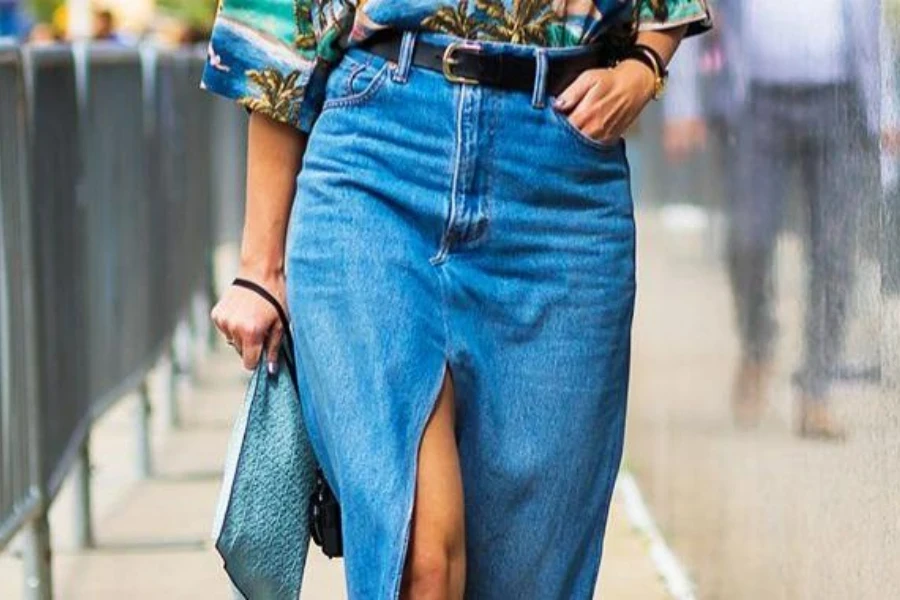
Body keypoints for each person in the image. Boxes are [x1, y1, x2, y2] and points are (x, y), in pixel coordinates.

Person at [204, 1, 710, 598]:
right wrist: (259, 267)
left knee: (530, 576)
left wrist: (644, 67)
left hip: (558, 183)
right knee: (418, 560)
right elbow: (280, 19)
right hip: (376, 154)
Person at [665, 0, 898, 441]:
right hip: (756, 102)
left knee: (834, 251)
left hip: (840, 100)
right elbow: (688, 10)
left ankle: (816, 392)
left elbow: (874, 25)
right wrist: (682, 106)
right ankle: (757, 344)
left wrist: (887, 109)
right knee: (748, 239)